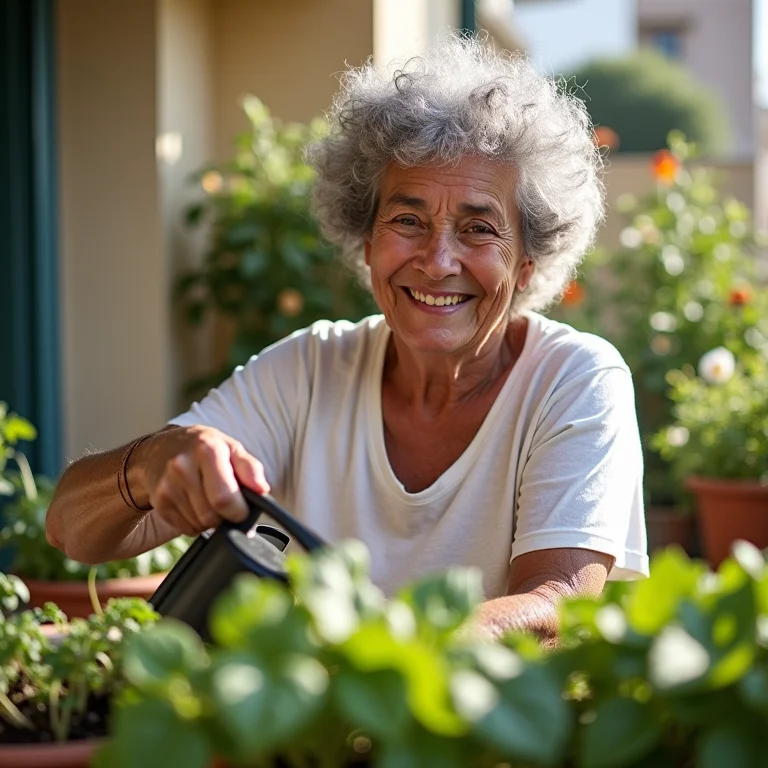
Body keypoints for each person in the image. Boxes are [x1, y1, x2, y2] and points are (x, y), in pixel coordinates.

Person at [46, 35, 648, 643]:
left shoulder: (576, 379)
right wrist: (151, 464)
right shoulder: (310, 368)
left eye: (478, 228)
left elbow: (554, 607)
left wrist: (363, 646)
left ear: (525, 263)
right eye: (408, 221)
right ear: (366, 243)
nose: (438, 261)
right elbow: (71, 530)